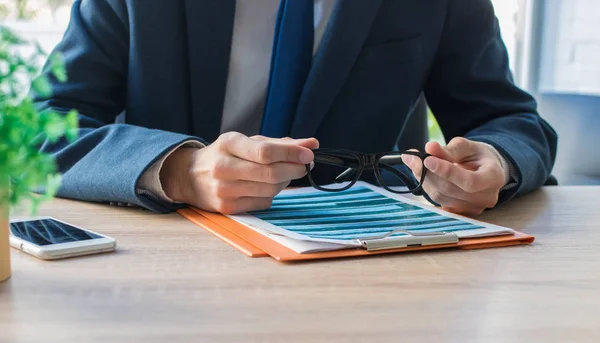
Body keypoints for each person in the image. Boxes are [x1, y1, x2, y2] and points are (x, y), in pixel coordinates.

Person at [35, 0, 557, 216]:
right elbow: (38, 128)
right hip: (169, 274)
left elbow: (512, 121)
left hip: (370, 277)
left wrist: (496, 162)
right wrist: (177, 168)